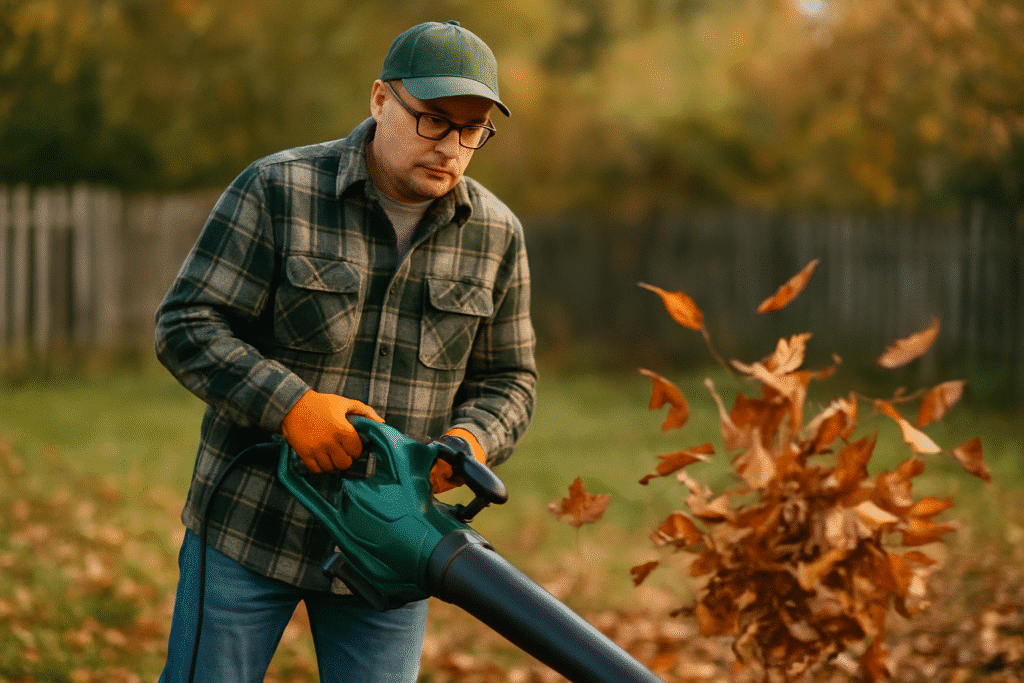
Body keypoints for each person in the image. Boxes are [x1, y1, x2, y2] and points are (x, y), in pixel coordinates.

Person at [154, 20, 537, 683]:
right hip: (250, 524)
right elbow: (187, 323)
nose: (451, 146)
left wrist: (472, 442)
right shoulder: (278, 189)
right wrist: (289, 406)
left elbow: (510, 377)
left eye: (472, 129)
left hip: (392, 548)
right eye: (433, 120)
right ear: (380, 99)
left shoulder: (497, 235)